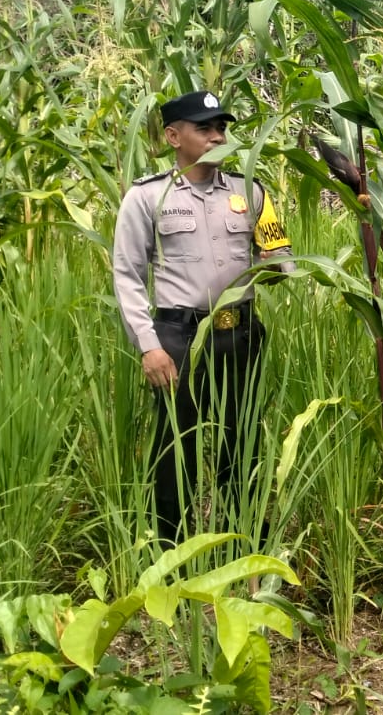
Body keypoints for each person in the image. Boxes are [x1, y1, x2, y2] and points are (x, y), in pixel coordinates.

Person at [112, 89, 293, 544]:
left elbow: (280, 258)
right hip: (178, 340)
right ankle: (172, 550)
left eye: (221, 128)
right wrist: (149, 346)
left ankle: (246, 545)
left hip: (240, 336)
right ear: (174, 137)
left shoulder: (250, 190)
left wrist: (274, 262)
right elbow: (127, 276)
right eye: (205, 129)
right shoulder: (146, 197)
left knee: (243, 442)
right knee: (177, 448)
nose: (217, 137)